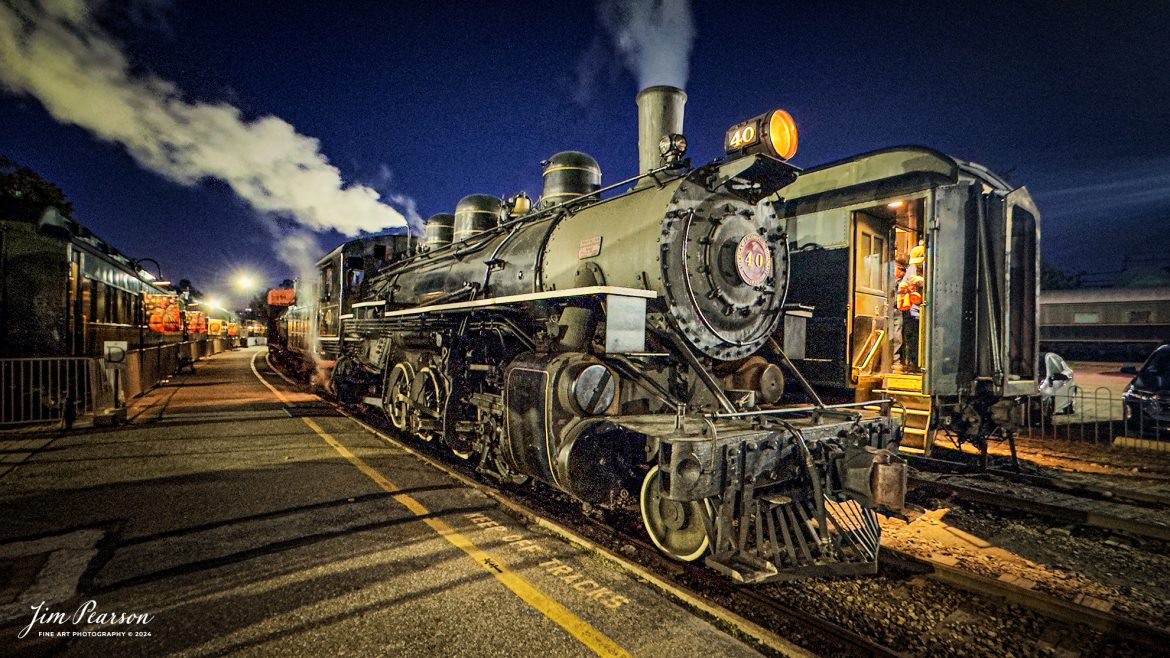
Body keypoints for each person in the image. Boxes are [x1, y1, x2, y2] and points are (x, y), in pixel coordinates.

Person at [897, 245, 926, 371]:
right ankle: (914, 365)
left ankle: (925, 366)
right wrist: (903, 286)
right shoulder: (912, 269)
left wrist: (924, 281)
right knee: (912, 338)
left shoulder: (932, 266)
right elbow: (904, 284)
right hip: (913, 310)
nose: (917, 266)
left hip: (926, 311)